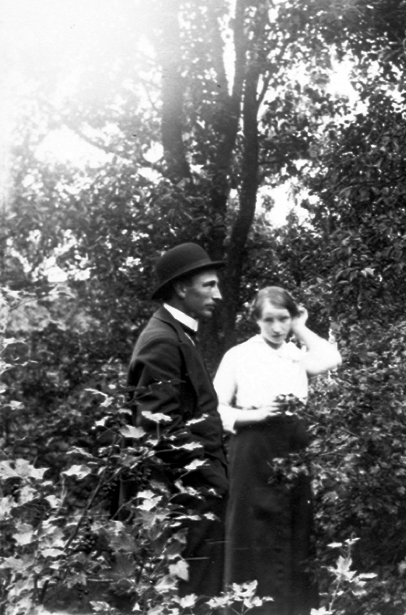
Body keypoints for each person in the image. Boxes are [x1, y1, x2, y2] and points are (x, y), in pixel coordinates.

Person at [214, 286, 342, 615]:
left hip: (294, 449)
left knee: (294, 529)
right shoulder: (239, 355)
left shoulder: (296, 355)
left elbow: (332, 359)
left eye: (283, 319)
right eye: (269, 319)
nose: (276, 327)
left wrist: (300, 326)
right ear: (256, 320)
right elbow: (214, 410)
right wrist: (257, 414)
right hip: (252, 448)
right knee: (251, 531)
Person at [127, 242, 229, 605]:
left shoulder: (177, 334)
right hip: (183, 502)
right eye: (209, 285)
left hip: (193, 499)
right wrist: (213, 480)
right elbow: (157, 431)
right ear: (182, 288)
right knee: (189, 599)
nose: (218, 294)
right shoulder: (162, 341)